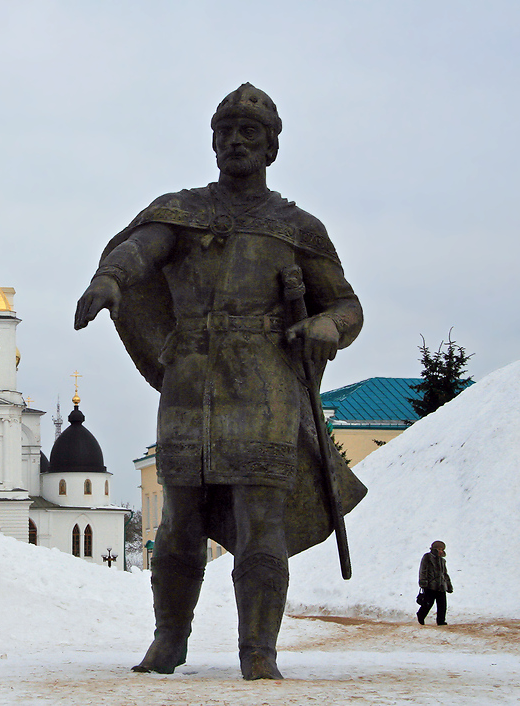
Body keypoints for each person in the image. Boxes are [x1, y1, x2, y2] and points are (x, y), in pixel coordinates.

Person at [74, 83, 366, 680]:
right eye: (226, 132)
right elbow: (141, 247)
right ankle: (168, 640)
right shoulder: (182, 212)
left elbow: (348, 306)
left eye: (250, 133)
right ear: (212, 143)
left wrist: (326, 328)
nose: (236, 141)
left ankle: (258, 651)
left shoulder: (296, 227)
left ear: (271, 148)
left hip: (264, 385)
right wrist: (111, 276)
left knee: (263, 520)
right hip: (190, 379)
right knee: (178, 520)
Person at [417, 540, 453, 625]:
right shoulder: (427, 557)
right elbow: (423, 570)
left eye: (442, 549)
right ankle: (421, 615)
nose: (441, 551)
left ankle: (441, 621)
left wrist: (448, 585)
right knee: (428, 604)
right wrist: (423, 583)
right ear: (434, 549)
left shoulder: (442, 560)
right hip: (430, 585)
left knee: (442, 605)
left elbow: (445, 574)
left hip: (441, 586)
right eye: (439, 549)